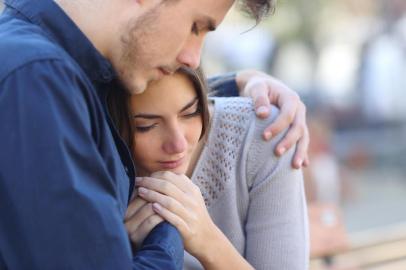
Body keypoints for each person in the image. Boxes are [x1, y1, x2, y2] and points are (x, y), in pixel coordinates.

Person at [0, 0, 309, 269]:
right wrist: (169, 225)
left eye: (190, 112)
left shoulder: (53, 70)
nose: (193, 58)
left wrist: (239, 84)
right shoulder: (38, 81)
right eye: (195, 26)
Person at [119, 67, 309, 269]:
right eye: (146, 126)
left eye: (191, 112)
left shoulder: (263, 135)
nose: (178, 145)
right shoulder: (98, 165)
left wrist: (208, 242)